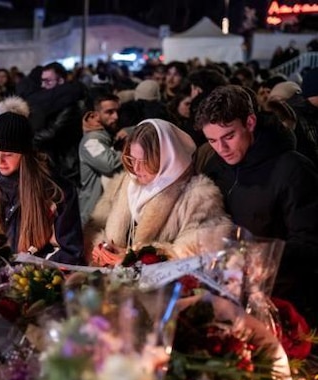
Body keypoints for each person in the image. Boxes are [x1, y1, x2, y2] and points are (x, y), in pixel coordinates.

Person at [195, 85, 318, 323]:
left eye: (229, 136)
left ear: (250, 123)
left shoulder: (292, 168)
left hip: (284, 302)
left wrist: (257, 258)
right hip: (229, 293)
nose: (222, 149)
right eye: (212, 140)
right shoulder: (215, 167)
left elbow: (309, 242)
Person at [85, 119, 232, 266]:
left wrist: (136, 259)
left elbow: (197, 254)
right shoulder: (124, 182)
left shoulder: (199, 196)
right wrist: (101, 249)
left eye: (144, 161)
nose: (136, 169)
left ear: (166, 158)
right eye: (132, 159)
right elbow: (94, 228)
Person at [0, 112, 84, 264]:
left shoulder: (55, 192)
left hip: (35, 280)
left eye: (8, 154)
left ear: (25, 154)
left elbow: (70, 251)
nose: (0, 161)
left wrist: (30, 272)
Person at [77, 92, 122, 224]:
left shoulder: (107, 136)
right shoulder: (91, 141)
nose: (116, 116)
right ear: (94, 115)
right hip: (94, 214)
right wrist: (130, 151)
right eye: (109, 112)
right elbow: (109, 164)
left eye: (117, 111)